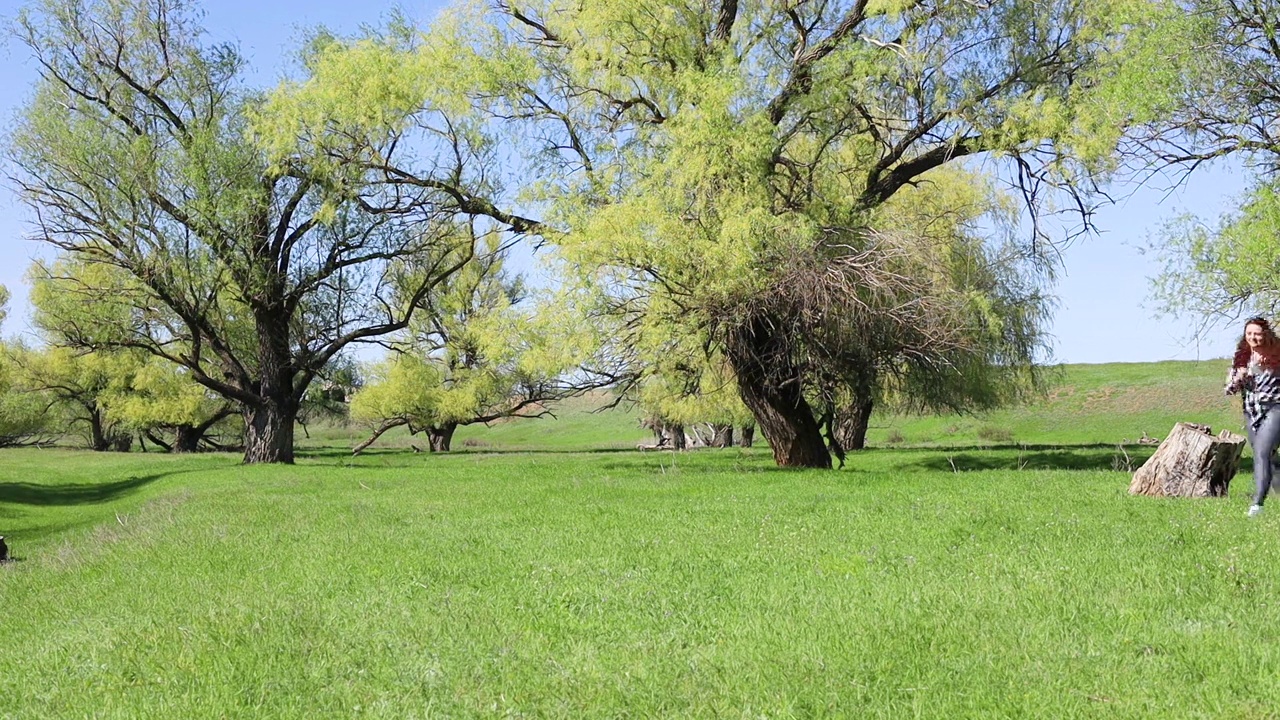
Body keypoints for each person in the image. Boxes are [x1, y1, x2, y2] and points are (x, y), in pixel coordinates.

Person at [1225, 317, 1280, 516]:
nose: (1253, 337)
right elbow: (1229, 388)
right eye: (1249, 333)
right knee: (1270, 456)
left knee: (1261, 453)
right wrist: (1238, 378)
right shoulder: (1242, 357)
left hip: (1275, 408)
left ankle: (1257, 505)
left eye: (1257, 333)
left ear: (1266, 334)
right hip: (1251, 411)